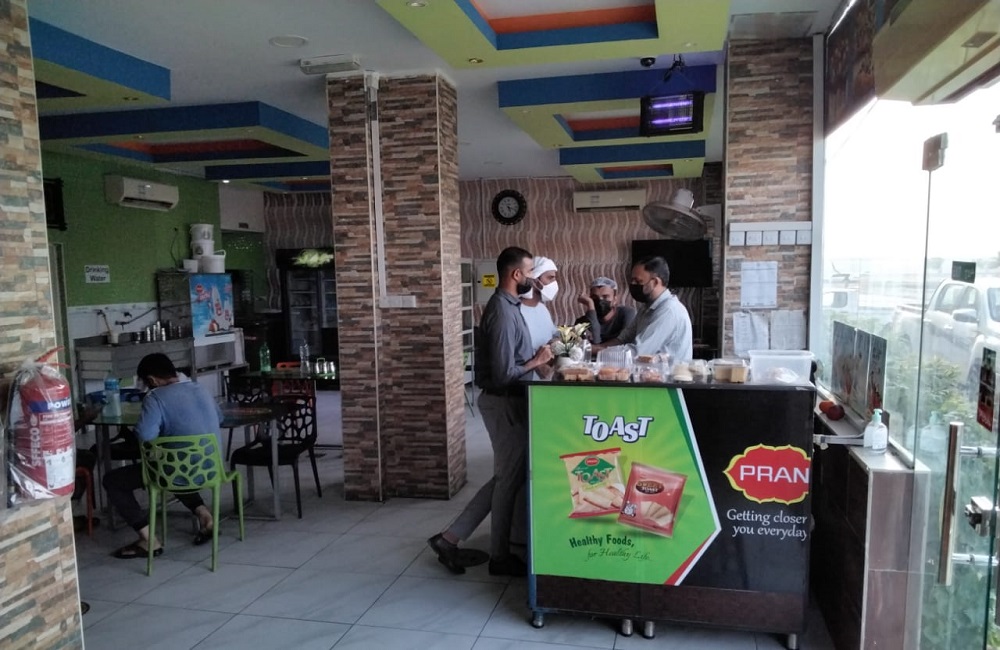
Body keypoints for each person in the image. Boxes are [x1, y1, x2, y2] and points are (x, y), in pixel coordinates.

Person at [428, 246, 553, 576]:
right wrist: (536, 362)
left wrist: (536, 360)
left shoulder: (512, 306)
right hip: (502, 402)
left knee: (506, 478)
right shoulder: (501, 311)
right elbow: (501, 374)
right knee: (507, 480)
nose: (534, 279)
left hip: (512, 401)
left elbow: (513, 359)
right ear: (516, 274)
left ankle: (450, 538)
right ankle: (498, 557)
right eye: (531, 273)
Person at [104, 353, 224, 559]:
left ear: (151, 380)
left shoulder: (155, 397)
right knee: (174, 463)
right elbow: (219, 418)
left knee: (114, 480)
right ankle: (205, 516)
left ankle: (148, 540)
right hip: (212, 468)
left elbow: (145, 436)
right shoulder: (200, 388)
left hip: (180, 471)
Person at [593, 256, 693, 362]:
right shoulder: (646, 308)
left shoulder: (668, 311)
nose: (633, 285)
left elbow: (638, 352)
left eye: (638, 281)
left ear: (655, 282)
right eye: (632, 280)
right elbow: (623, 339)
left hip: (669, 372)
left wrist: (596, 352)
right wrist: (596, 348)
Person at [575, 276, 636, 344]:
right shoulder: (582, 322)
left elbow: (627, 343)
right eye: (595, 297)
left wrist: (596, 348)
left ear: (615, 299)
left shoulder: (627, 313)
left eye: (605, 297)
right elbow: (595, 343)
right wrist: (590, 305)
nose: (600, 301)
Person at [519, 256, 560, 351]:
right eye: (550, 278)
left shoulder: (542, 309)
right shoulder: (516, 310)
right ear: (535, 280)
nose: (554, 283)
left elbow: (553, 334)